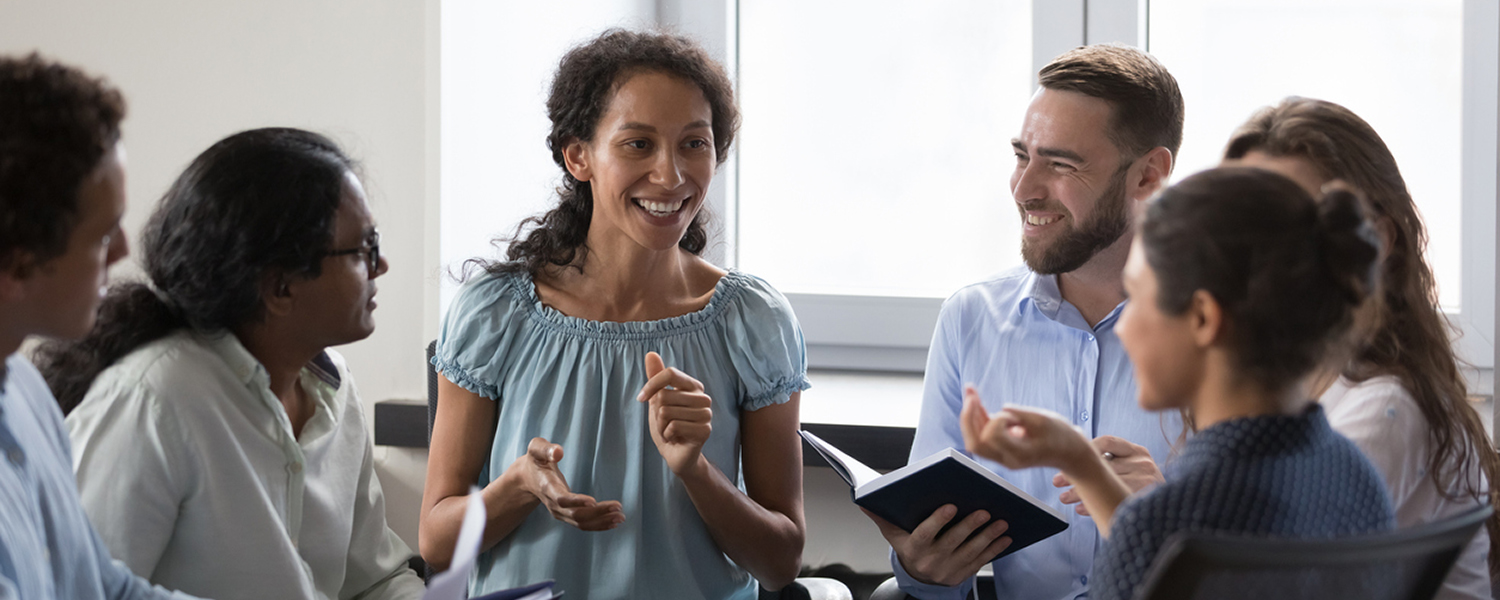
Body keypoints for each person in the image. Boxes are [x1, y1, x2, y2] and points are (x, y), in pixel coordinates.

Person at [418, 29, 808, 600]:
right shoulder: (495, 315)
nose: (672, 175)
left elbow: (780, 563)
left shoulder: (753, 321)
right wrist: (519, 486)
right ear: (579, 156)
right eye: (638, 144)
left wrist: (696, 470)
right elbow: (435, 544)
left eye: (694, 144)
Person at [960, 166, 1397, 600]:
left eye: (1138, 298)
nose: (1124, 328)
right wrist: (1078, 460)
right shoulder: (1353, 474)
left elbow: (1158, 546)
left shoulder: (1174, 524)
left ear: (1203, 319)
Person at [33, 128, 424, 600]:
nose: (380, 267)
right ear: (281, 287)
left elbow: (375, 580)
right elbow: (73, 590)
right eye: (364, 249)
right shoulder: (156, 399)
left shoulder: (335, 389)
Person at [873, 44, 1184, 600]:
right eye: (1023, 155)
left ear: (1147, 176)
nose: (1024, 189)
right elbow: (931, 575)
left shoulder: (1222, 338)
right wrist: (924, 571)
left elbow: (1271, 566)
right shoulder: (971, 319)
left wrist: (1176, 524)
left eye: (1061, 164)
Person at [1223, 96, 1499, 600]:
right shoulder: (1300, 379)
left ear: (1375, 239)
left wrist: (1158, 511)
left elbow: (1263, 583)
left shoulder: (1385, 409)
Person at [0, 53, 199, 600]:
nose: (124, 250)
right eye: (103, 233)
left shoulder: (23, 390)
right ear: (20, 262)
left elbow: (104, 588)